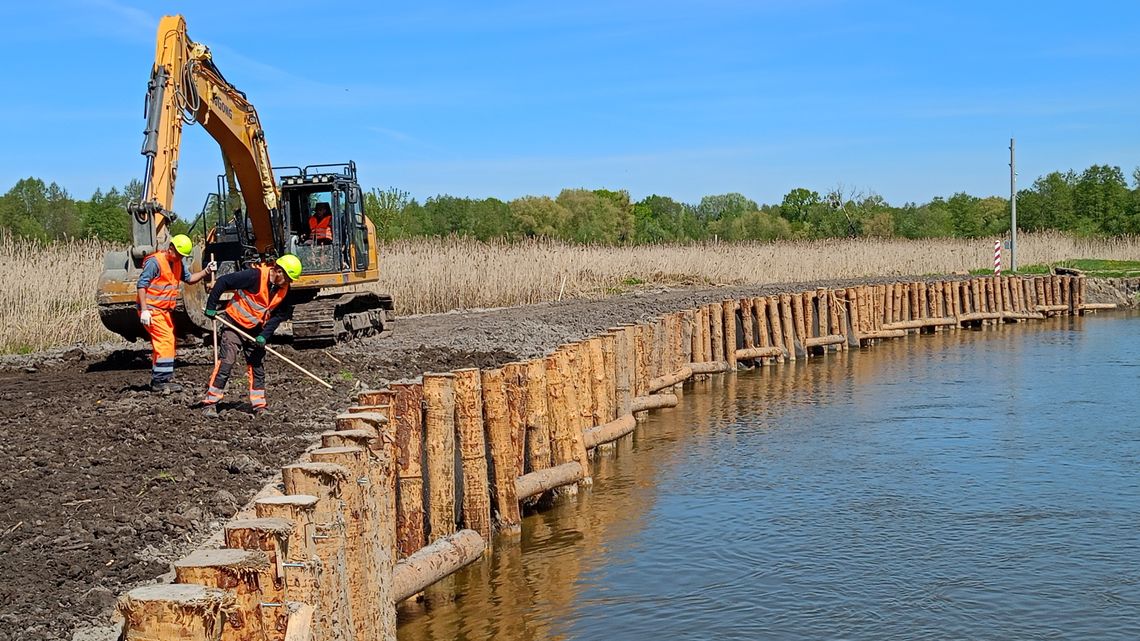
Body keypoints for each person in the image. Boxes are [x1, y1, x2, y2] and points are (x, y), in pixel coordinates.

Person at [200, 254, 302, 416]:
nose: (288, 283)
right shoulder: (254, 276)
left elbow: (279, 315)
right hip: (234, 324)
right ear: (278, 271)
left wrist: (264, 335)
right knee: (227, 362)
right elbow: (223, 281)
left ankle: (259, 405)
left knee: (257, 366)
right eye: (288, 279)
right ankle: (210, 403)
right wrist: (211, 306)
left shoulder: (283, 290)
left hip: (256, 330)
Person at [136, 234, 214, 393]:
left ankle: (159, 379)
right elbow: (141, 285)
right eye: (178, 254)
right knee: (165, 342)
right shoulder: (155, 262)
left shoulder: (178, 263)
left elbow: (190, 279)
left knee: (163, 343)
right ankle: (160, 382)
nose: (180, 258)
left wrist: (206, 271)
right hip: (151, 309)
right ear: (170, 248)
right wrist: (144, 310)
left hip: (163, 310)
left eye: (182, 256)